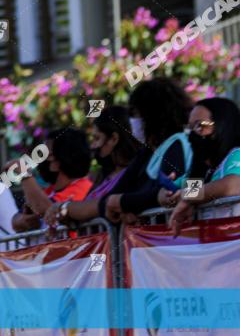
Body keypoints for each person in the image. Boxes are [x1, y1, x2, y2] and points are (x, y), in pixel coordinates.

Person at [102, 78, 192, 223]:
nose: (131, 120)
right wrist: (126, 205)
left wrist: (124, 202)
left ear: (152, 115)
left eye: (135, 113)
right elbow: (110, 199)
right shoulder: (148, 153)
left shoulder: (178, 145)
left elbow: (169, 194)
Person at [43, 106, 139, 226]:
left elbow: (105, 205)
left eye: (97, 138)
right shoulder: (103, 175)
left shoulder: (136, 172)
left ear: (114, 139)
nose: (93, 146)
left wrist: (64, 208)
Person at [167, 97, 240, 235]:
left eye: (200, 125)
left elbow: (234, 184)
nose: (192, 134)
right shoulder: (205, 170)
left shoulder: (236, 154)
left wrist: (188, 196)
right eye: (190, 128)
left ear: (223, 125)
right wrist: (167, 196)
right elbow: (170, 189)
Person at [11, 128, 93, 231]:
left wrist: (24, 173)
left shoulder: (83, 187)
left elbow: (45, 209)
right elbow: (16, 221)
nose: (44, 157)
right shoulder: (49, 191)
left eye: (48, 152)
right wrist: (23, 220)